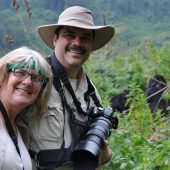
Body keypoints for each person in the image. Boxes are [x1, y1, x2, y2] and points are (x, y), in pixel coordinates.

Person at [25, 6, 115, 170]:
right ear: (55, 40)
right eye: (70, 35)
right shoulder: (34, 78)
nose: (77, 43)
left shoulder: (91, 92)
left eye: (85, 37)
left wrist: (104, 156)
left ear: (91, 45)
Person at [0, 46, 52, 170]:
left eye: (36, 78)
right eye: (20, 72)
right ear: (2, 76)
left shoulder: (22, 127)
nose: (28, 82)